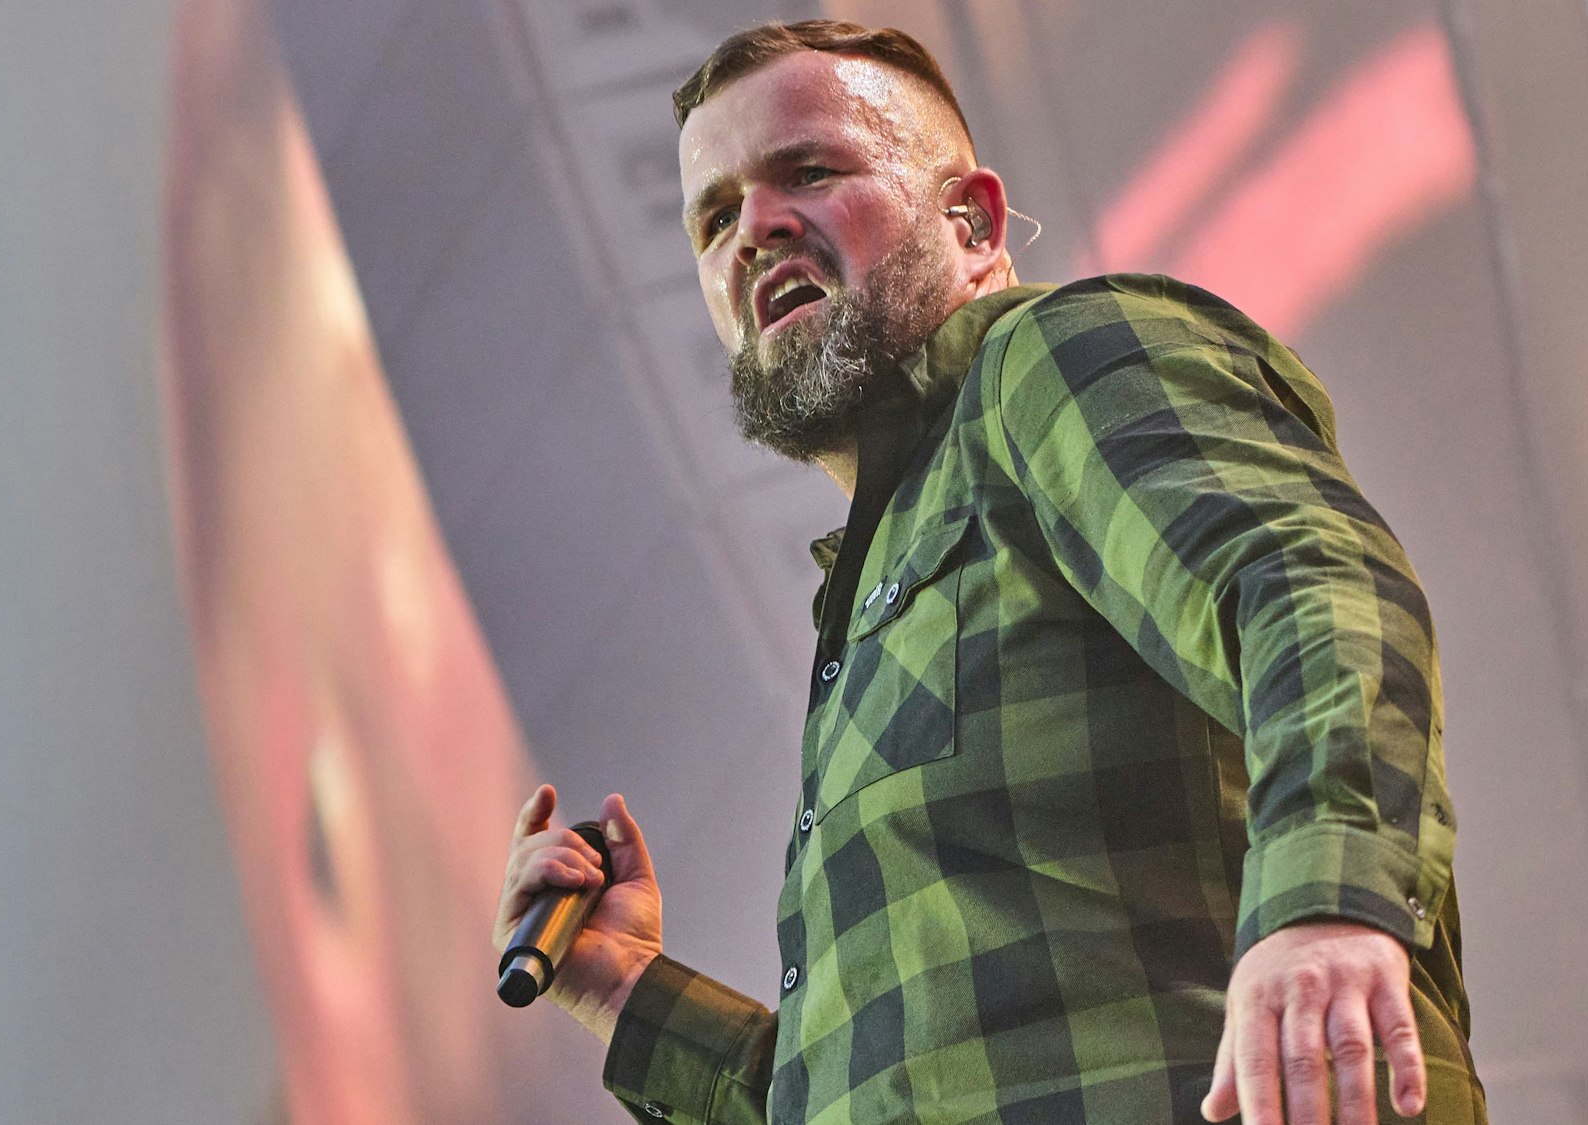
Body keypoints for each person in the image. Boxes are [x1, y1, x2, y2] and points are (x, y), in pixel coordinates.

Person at [494, 19, 1483, 1125]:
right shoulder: (867, 610)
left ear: (972, 221)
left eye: (808, 172)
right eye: (714, 218)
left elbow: (1301, 580)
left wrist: (1326, 902)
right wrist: (625, 996)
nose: (755, 231)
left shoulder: (1044, 357)